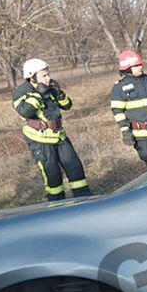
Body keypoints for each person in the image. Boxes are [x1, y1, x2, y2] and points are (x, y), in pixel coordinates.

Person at [12, 58, 91, 201]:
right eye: (44, 75)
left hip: (59, 136)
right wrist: (38, 94)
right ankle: (57, 207)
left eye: (48, 74)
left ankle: (85, 200)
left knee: (75, 169)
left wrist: (58, 92)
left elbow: (67, 105)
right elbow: (25, 111)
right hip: (39, 140)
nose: (48, 78)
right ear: (32, 77)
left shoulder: (49, 86)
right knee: (53, 176)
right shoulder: (21, 92)